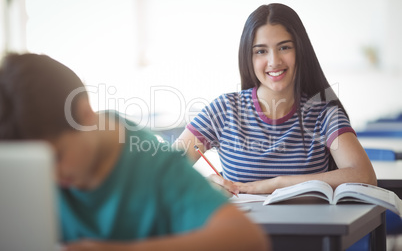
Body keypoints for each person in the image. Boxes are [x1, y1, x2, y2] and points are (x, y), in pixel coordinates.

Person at [0, 53, 269, 251]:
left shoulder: (154, 163)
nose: (48, 177)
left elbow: (249, 239)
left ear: (84, 115)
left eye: (56, 157)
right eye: (30, 165)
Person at [173, 3, 377, 196]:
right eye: (261, 51)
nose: (274, 61)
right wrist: (203, 187)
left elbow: (364, 175)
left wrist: (275, 183)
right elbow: (163, 173)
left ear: (300, 51)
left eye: (284, 47)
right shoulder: (224, 109)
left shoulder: (324, 113)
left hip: (308, 231)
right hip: (242, 231)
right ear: (249, 58)